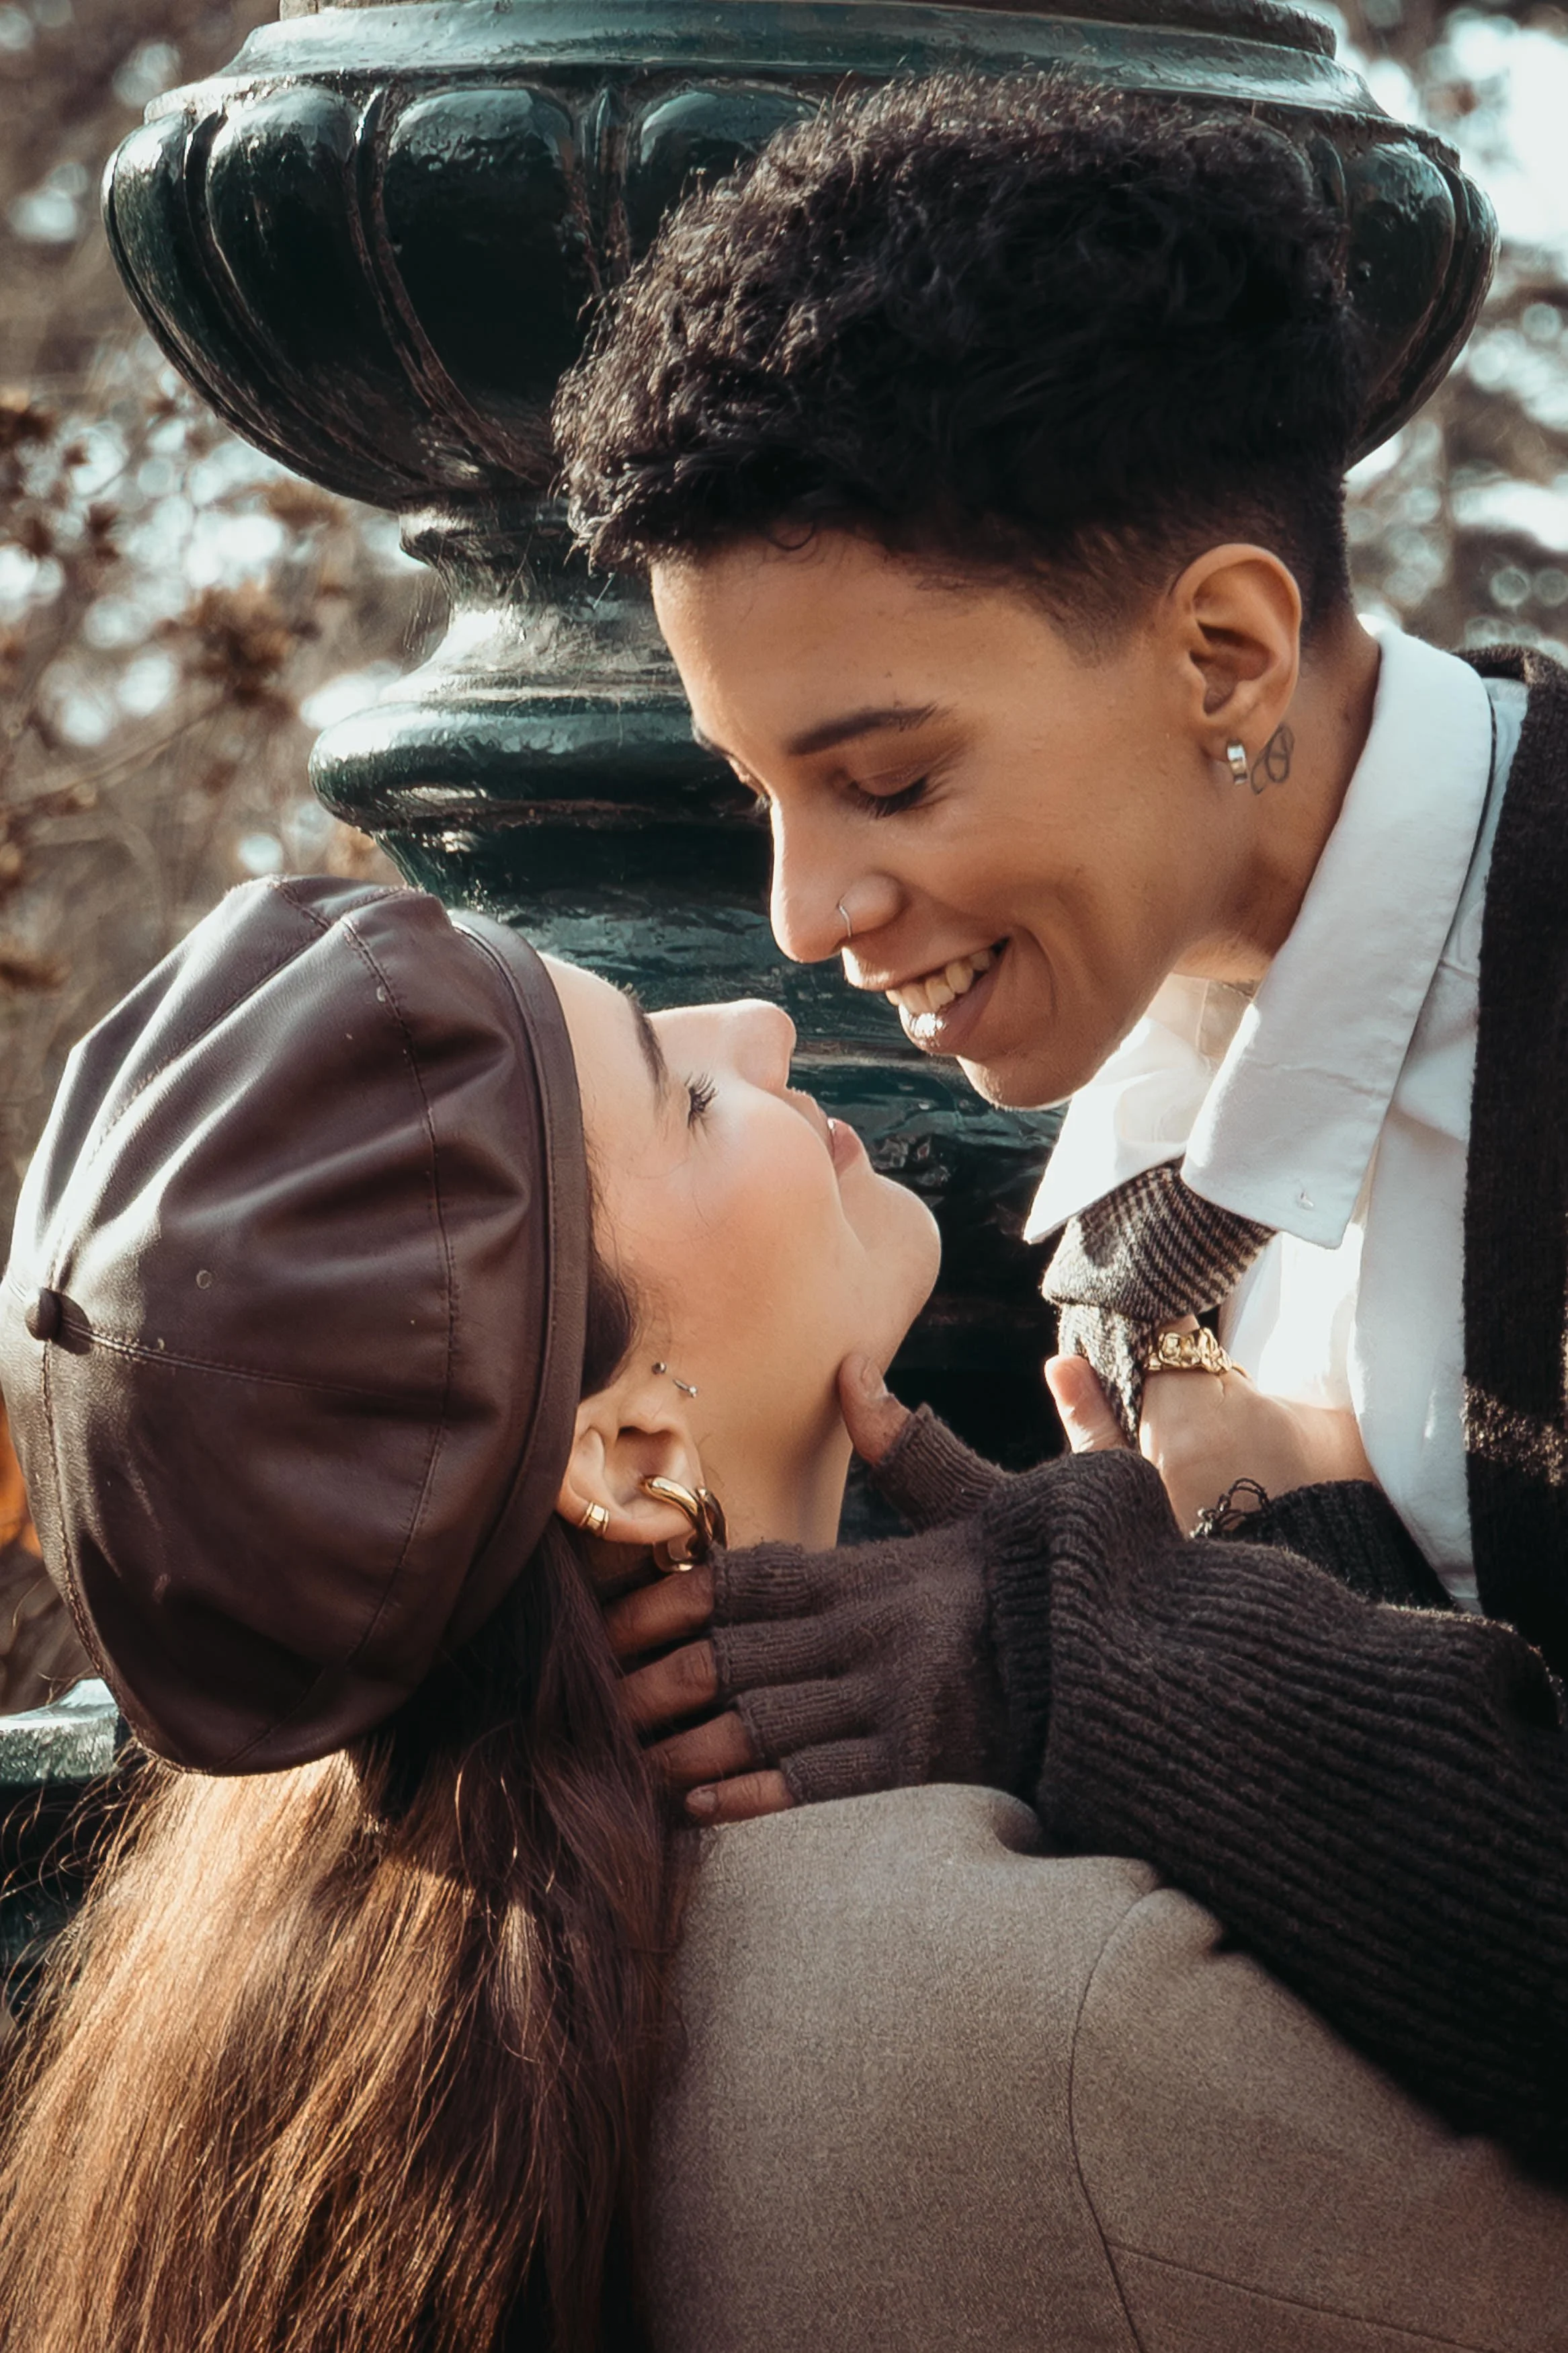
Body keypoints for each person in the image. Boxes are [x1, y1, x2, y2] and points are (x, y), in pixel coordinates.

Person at [3, 874, 1563, 2352]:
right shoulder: (1009, 2018)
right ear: (623, 1452)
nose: (751, 1017)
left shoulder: (282, 2047)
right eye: (679, 1097)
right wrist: (1233, 1594)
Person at [553, 73, 1568, 2160]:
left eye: (892, 780)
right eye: (762, 788)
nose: (799, 918)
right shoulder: (1128, 1152)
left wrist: (1074, 1646)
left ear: (1219, 653)